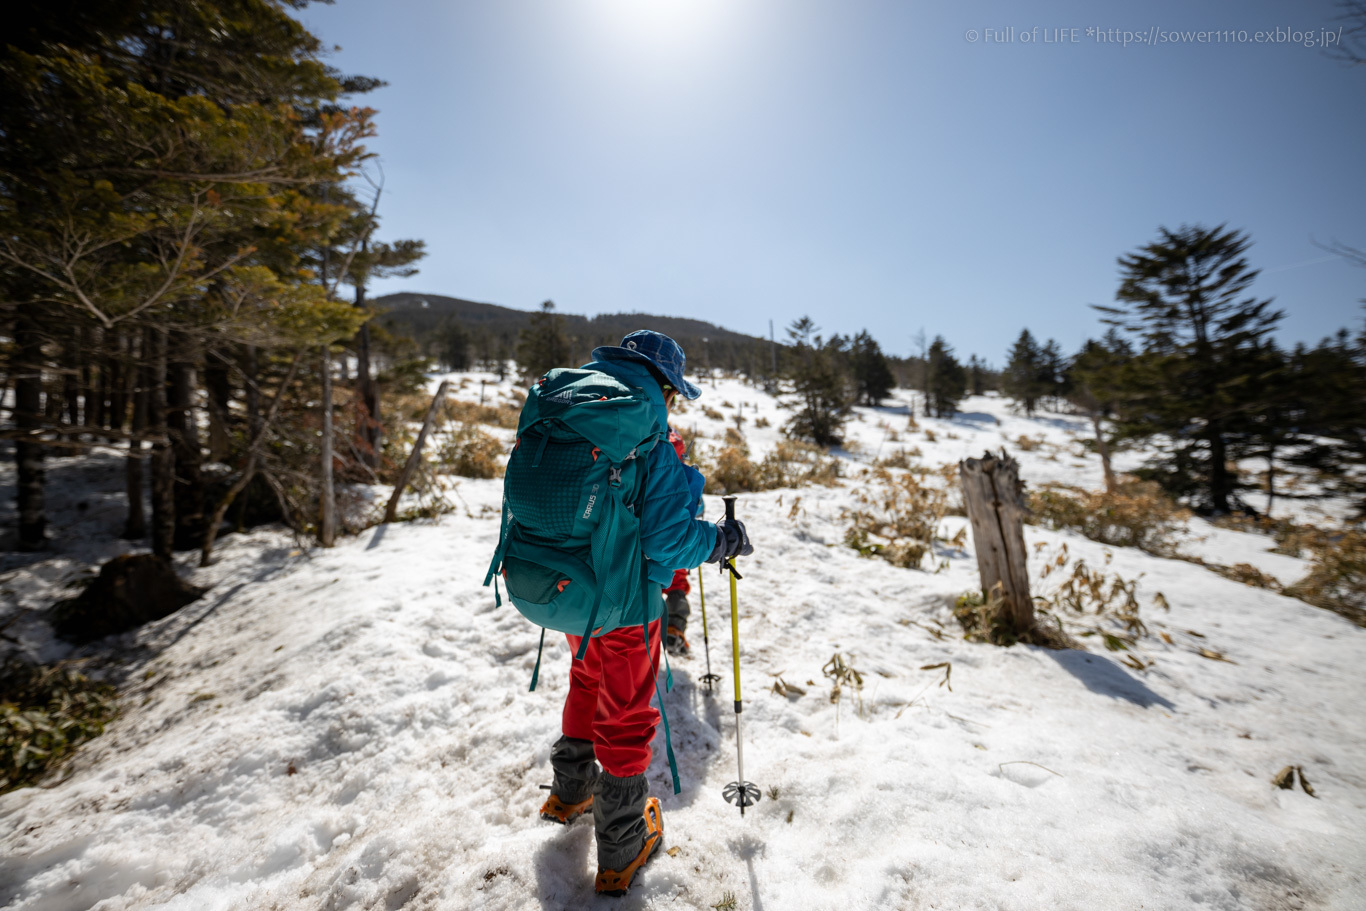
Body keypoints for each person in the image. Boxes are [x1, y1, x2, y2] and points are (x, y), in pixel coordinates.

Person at [536, 330, 753, 896]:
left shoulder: (576, 412)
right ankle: (622, 845)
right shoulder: (653, 440)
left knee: (586, 678)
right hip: (627, 599)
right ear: (665, 386)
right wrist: (719, 541)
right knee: (627, 711)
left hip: (568, 590)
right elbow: (668, 540)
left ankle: (568, 793)